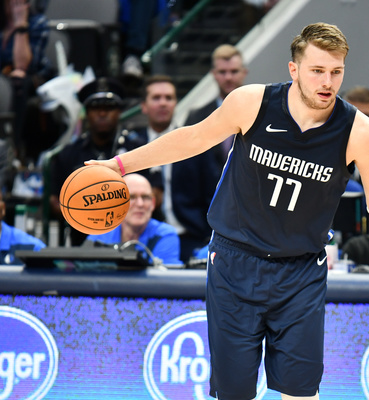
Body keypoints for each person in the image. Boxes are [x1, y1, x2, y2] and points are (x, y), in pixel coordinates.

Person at [86, 22, 369, 400]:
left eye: (336, 71)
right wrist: (118, 165)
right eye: (317, 70)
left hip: (300, 273)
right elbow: (191, 139)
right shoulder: (252, 102)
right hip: (233, 262)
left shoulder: (360, 132)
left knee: (301, 397)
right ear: (294, 69)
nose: (327, 82)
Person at [172, 44, 248, 263]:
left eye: (234, 71)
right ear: (213, 75)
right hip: (203, 231)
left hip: (252, 231)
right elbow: (182, 182)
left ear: (244, 72)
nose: (228, 78)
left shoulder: (264, 117)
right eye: (222, 72)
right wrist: (204, 231)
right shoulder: (197, 118)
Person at [49, 77, 146, 246]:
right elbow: (54, 201)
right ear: (86, 112)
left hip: (135, 240)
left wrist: (116, 208)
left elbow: (156, 196)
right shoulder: (68, 153)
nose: (102, 113)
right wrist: (86, 210)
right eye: (96, 108)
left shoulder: (137, 149)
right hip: (81, 242)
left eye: (109, 108)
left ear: (119, 112)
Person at [0, 0, 51, 160]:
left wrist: (20, 24)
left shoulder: (38, 22)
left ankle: (12, 147)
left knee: (18, 82)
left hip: (27, 80)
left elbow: (22, 66)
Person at [84, 174, 181, 266]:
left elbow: (163, 280)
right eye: (131, 197)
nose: (140, 204)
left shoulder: (164, 235)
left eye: (145, 197)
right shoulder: (101, 233)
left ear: (153, 203)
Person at [128, 74, 180, 224]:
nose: (163, 103)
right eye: (156, 98)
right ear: (143, 106)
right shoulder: (131, 145)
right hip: (140, 230)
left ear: (176, 103)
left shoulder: (195, 142)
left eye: (169, 98)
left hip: (188, 233)